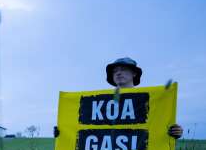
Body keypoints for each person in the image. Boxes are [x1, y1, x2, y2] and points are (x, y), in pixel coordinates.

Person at [54, 57, 183, 138]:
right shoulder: (101, 102)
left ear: (134, 73)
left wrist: (174, 131)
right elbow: (90, 128)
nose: (118, 73)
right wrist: (63, 132)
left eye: (123, 69)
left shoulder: (149, 100)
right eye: (115, 71)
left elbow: (157, 123)